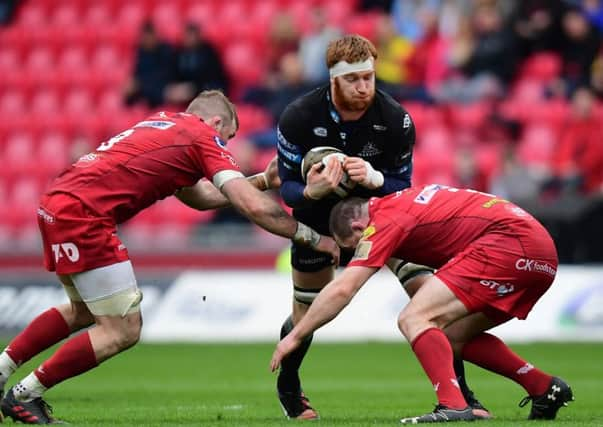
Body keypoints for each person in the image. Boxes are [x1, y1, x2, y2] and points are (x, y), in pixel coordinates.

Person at [0, 90, 339, 424]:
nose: (227, 145)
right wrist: (312, 238)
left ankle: (2, 371)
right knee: (123, 330)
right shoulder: (203, 136)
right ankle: (25, 395)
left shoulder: (163, 124)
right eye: (228, 137)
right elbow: (249, 205)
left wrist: (264, 179)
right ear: (216, 122)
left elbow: (201, 198)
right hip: (85, 215)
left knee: (83, 311)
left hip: (57, 203)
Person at [275, 34, 487, 420]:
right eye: (353, 79)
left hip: (383, 216)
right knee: (305, 314)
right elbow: (287, 189)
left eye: (368, 77)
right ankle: (289, 384)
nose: (363, 87)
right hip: (319, 221)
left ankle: (462, 394)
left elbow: (402, 188)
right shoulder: (299, 116)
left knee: (430, 300)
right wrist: (311, 189)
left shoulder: (395, 119)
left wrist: (374, 178)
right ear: (333, 80)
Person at [271, 184, 574, 423]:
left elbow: (344, 289)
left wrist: (295, 336)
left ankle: (453, 405)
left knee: (414, 319)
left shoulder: (383, 219)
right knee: (453, 334)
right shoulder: (407, 201)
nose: (361, 251)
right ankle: (544, 387)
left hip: (506, 243)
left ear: (356, 228)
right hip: (540, 252)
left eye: (354, 246)